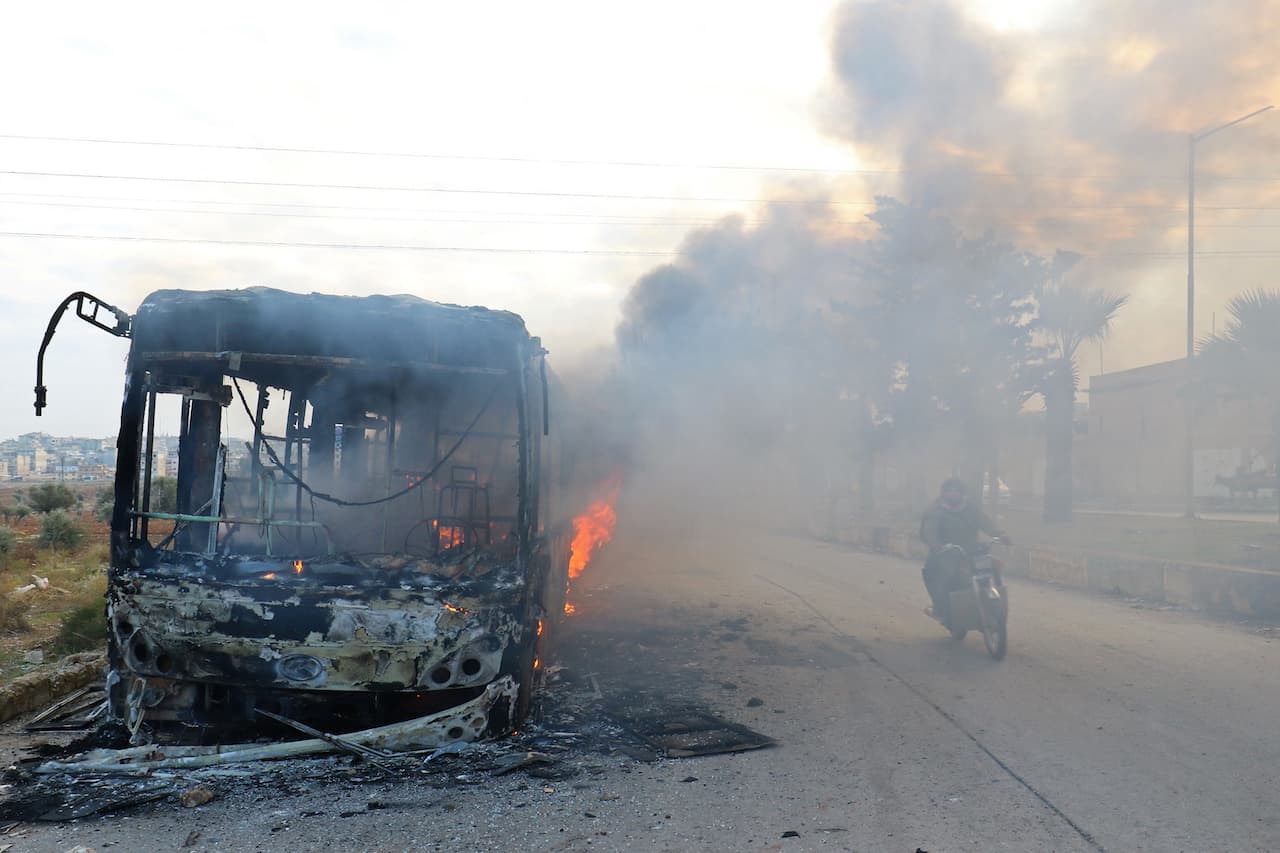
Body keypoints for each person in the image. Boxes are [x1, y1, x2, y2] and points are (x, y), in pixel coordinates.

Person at [919, 477, 1007, 620]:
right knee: (935, 575)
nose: (953, 494)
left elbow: (987, 524)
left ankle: (994, 601)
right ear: (943, 493)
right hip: (945, 554)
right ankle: (941, 608)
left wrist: (1001, 534)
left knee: (993, 569)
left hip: (972, 551)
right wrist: (937, 547)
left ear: (962, 493)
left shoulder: (971, 509)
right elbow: (930, 532)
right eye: (949, 491)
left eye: (957, 491)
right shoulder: (935, 512)